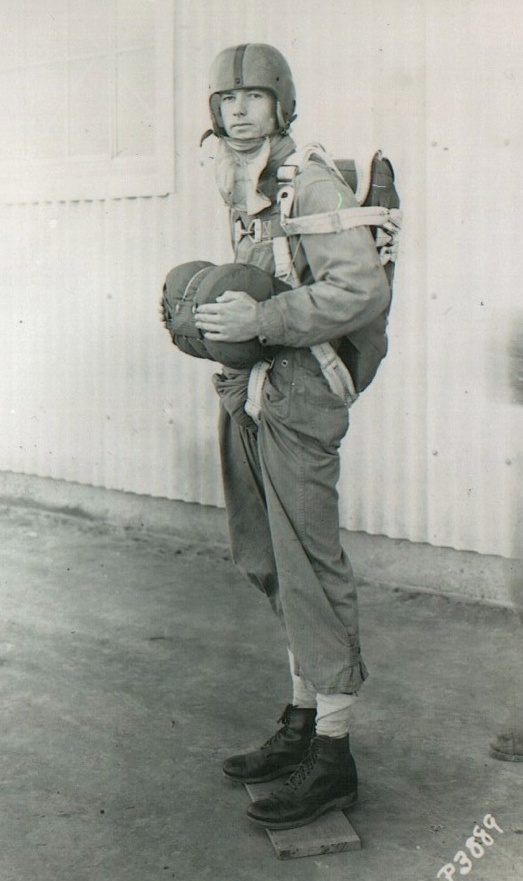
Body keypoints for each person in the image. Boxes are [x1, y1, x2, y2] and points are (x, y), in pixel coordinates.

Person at [194, 43, 392, 831]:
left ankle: (334, 759)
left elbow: (359, 288)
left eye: (253, 96)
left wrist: (263, 322)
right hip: (261, 388)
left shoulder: (305, 179)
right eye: (226, 99)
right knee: (272, 558)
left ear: (281, 104)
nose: (238, 109)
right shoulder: (242, 182)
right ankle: (301, 718)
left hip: (305, 392)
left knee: (308, 564)